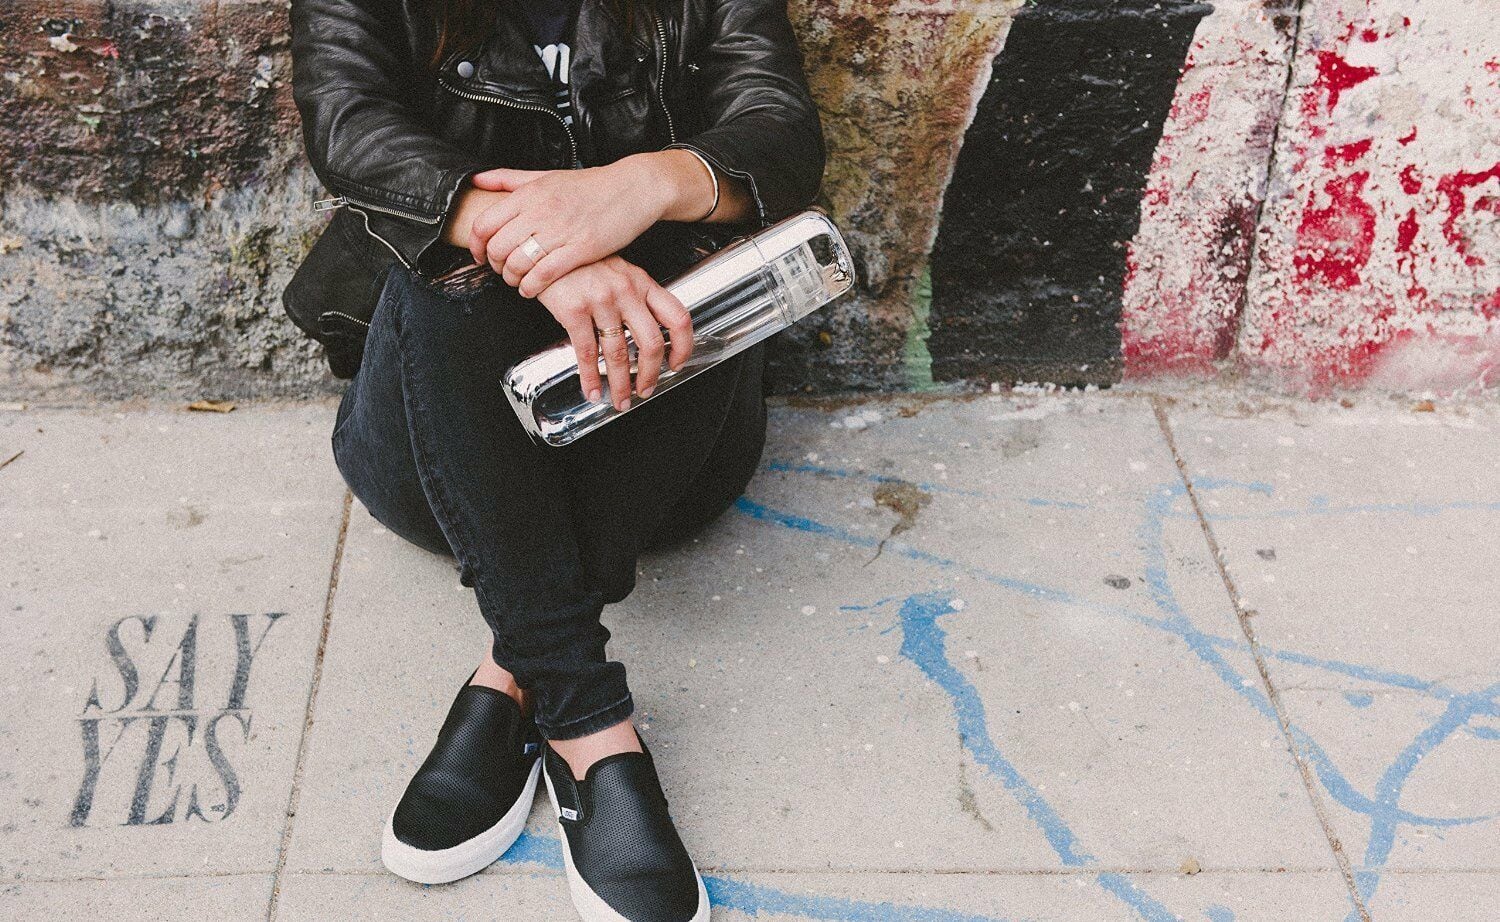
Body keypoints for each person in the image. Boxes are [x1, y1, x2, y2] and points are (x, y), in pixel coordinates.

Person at [286, 0, 825, 918]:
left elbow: (777, 123)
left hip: (665, 459)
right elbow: (350, 126)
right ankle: (589, 722)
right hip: (429, 457)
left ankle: (518, 667)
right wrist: (540, 248)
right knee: (437, 263)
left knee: (694, 269)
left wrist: (646, 185)